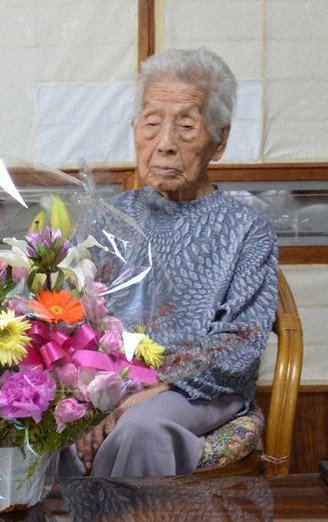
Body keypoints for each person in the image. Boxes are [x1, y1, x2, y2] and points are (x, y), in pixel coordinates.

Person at [61, 48, 279, 477]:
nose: (165, 142)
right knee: (28, 419)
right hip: (102, 381)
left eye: (186, 125)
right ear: (134, 129)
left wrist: (154, 388)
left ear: (220, 139)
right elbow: (68, 315)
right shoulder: (106, 219)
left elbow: (242, 339)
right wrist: (93, 391)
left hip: (200, 387)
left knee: (141, 429)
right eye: (152, 122)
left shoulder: (247, 229)